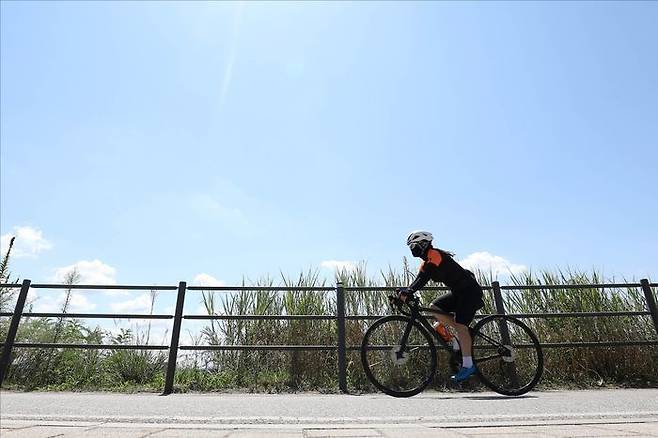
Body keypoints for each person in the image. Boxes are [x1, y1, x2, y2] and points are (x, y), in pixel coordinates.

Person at [397, 230, 485, 382]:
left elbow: (424, 278)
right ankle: (459, 337)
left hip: (470, 292)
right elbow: (417, 280)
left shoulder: (435, 255)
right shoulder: (425, 263)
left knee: (461, 325)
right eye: (410, 247)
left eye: (414, 246)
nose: (413, 250)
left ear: (424, 244)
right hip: (459, 293)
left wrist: (410, 291)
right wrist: (404, 292)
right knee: (435, 307)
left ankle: (469, 365)